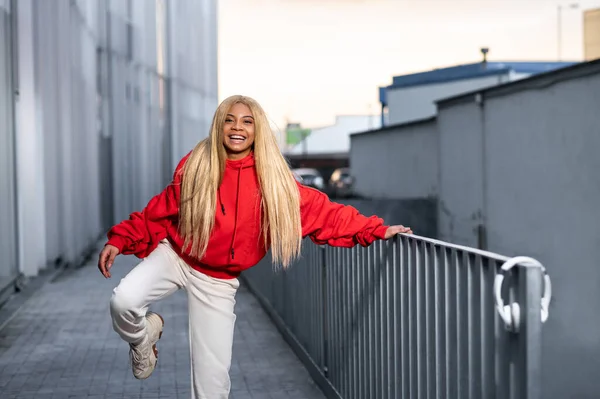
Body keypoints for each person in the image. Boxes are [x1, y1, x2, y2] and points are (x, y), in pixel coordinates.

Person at [97, 94, 412, 399]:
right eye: (230, 121)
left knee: (212, 387)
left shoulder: (272, 181)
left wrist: (376, 229)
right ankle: (143, 338)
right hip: (177, 255)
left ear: (257, 129)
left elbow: (323, 213)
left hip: (217, 280)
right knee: (123, 301)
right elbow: (160, 210)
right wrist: (119, 239)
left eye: (247, 122)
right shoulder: (196, 164)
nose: (237, 128)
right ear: (219, 125)